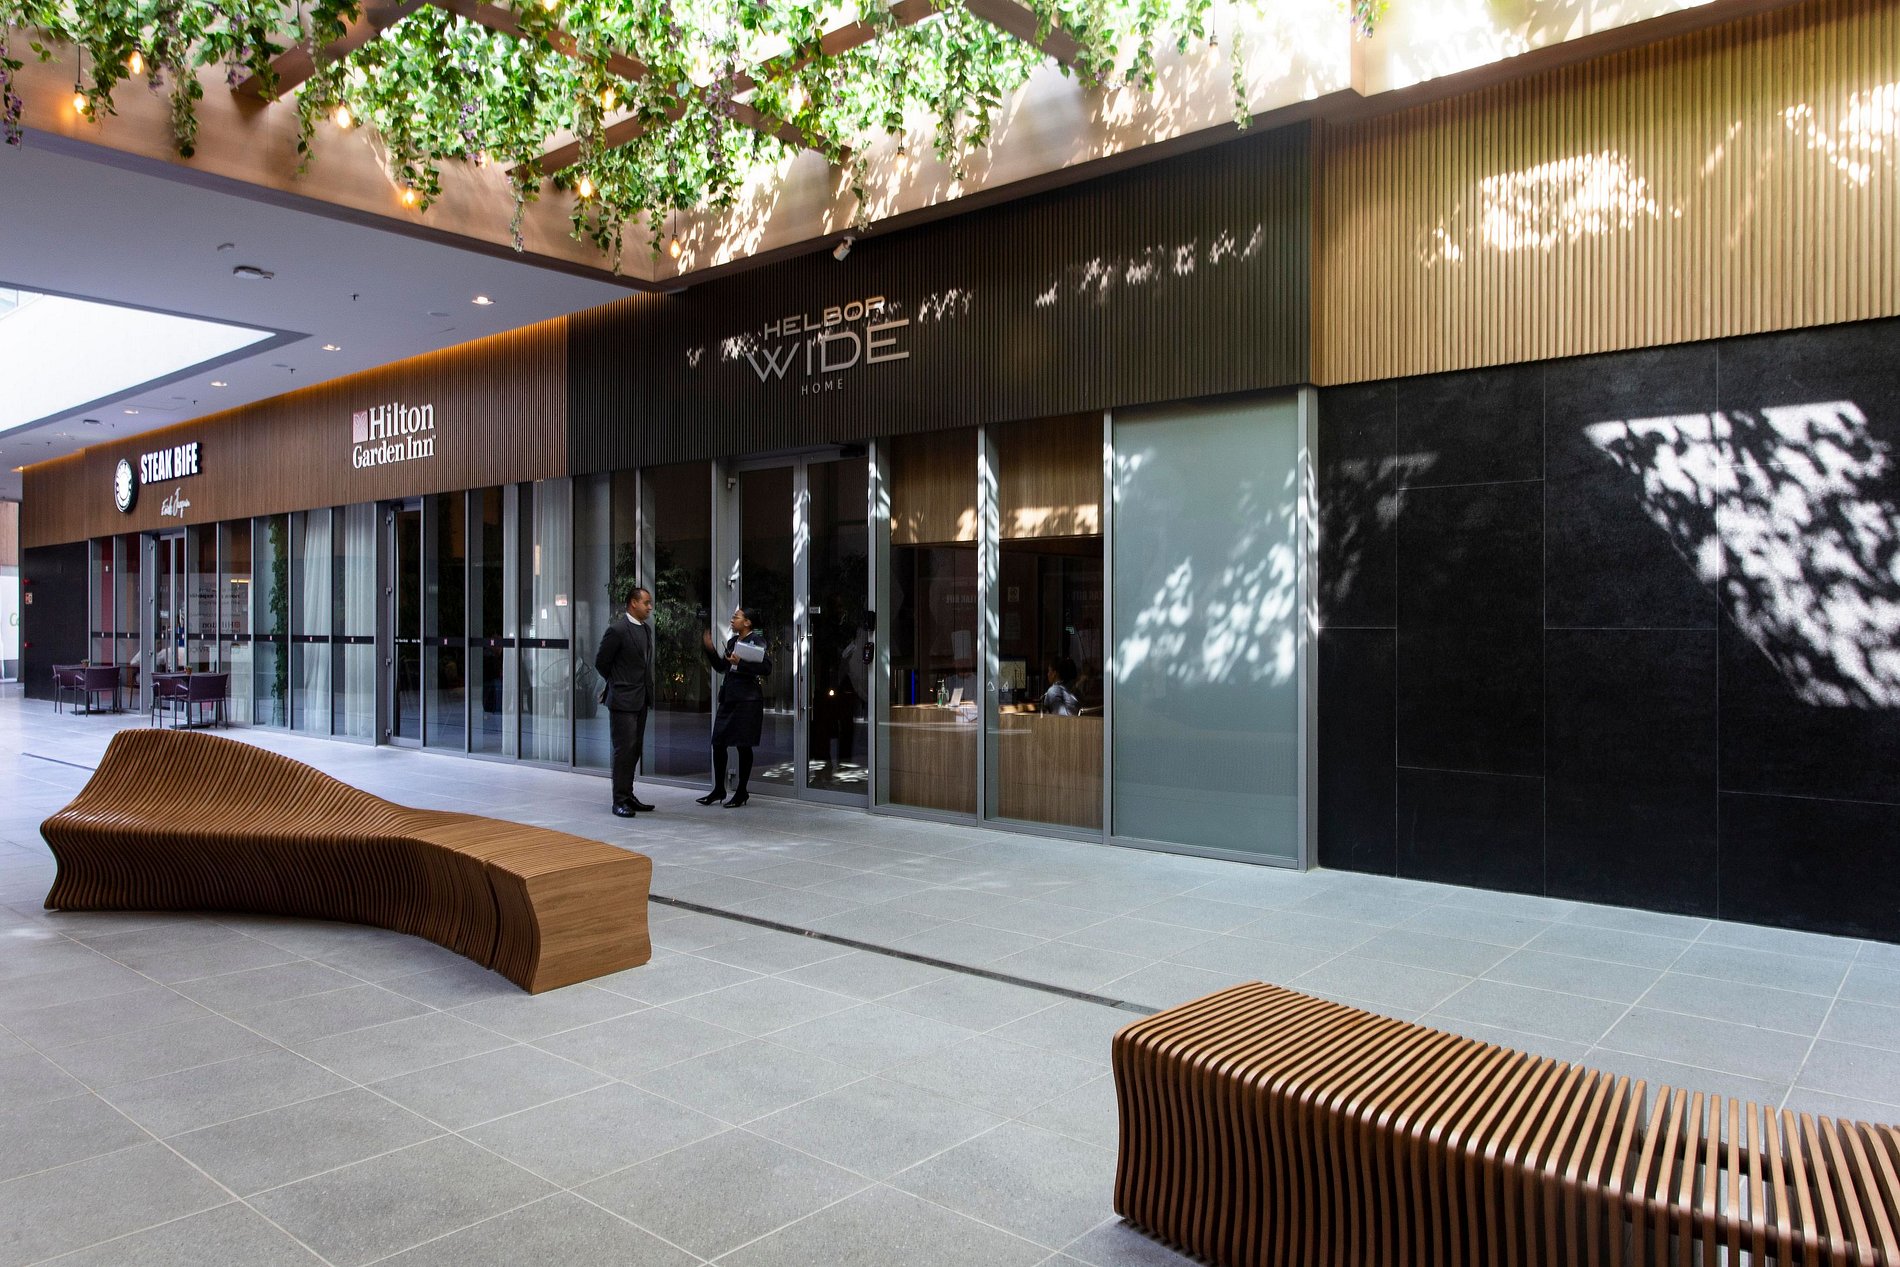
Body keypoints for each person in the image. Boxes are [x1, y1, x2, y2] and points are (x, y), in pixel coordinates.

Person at [698, 606, 771, 808]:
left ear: (747, 622)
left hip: (748, 701)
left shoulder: (757, 641)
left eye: (736, 617)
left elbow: (766, 668)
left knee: (743, 745)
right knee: (718, 742)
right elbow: (723, 667)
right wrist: (710, 649)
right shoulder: (732, 642)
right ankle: (718, 789)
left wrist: (741, 663)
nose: (732, 620)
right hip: (729, 699)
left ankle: (741, 791)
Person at [594, 585, 656, 818]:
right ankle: (619, 800)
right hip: (622, 699)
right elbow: (602, 662)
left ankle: (628, 795)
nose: (649, 607)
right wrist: (618, 683)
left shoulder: (646, 630)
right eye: (646, 603)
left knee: (635, 749)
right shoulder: (617, 630)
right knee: (624, 750)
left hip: (641, 698)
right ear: (633, 603)